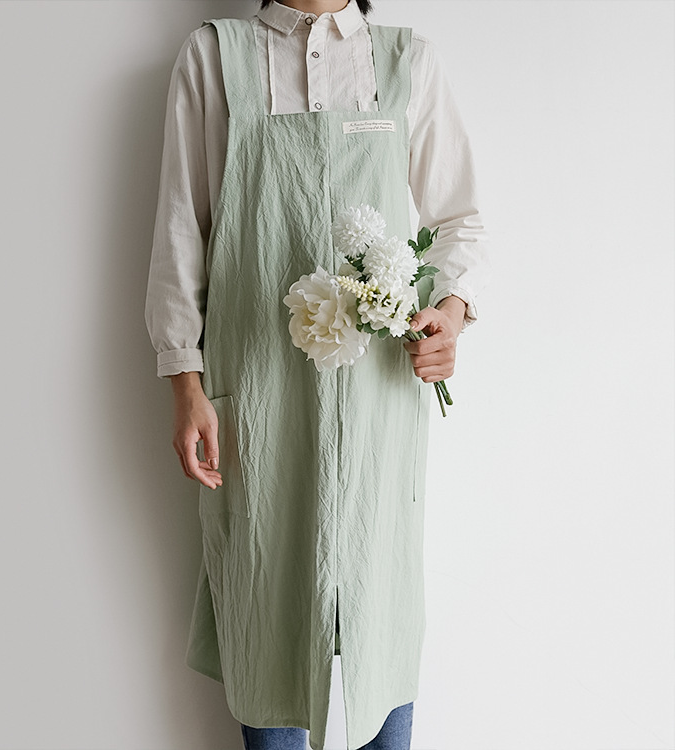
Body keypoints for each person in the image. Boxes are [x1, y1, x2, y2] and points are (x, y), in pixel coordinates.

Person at [144, 1, 490, 748]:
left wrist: (451, 310)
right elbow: (181, 230)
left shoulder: (406, 60)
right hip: (256, 390)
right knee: (266, 608)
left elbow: (458, 217)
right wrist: (184, 378)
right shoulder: (214, 57)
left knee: (379, 613)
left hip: (380, 396)